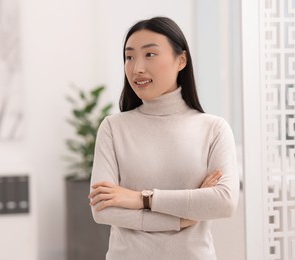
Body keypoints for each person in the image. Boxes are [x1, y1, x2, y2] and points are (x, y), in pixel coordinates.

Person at [88, 16, 239, 260]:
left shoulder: (213, 129)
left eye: (150, 55)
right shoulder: (113, 128)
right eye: (129, 57)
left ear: (181, 60)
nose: (137, 68)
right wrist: (182, 219)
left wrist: (142, 199)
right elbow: (102, 210)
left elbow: (224, 202)